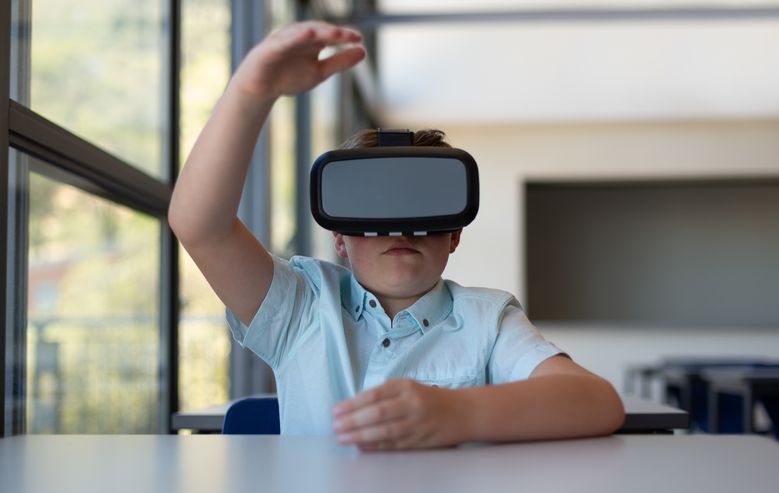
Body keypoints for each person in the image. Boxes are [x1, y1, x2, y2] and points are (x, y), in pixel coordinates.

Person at [169, 20, 625, 450]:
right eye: (373, 209)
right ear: (340, 239)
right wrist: (252, 91)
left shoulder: (488, 321)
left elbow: (597, 401)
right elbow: (200, 227)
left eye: (422, 206)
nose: (401, 227)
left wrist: (459, 413)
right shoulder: (301, 306)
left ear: (454, 236)